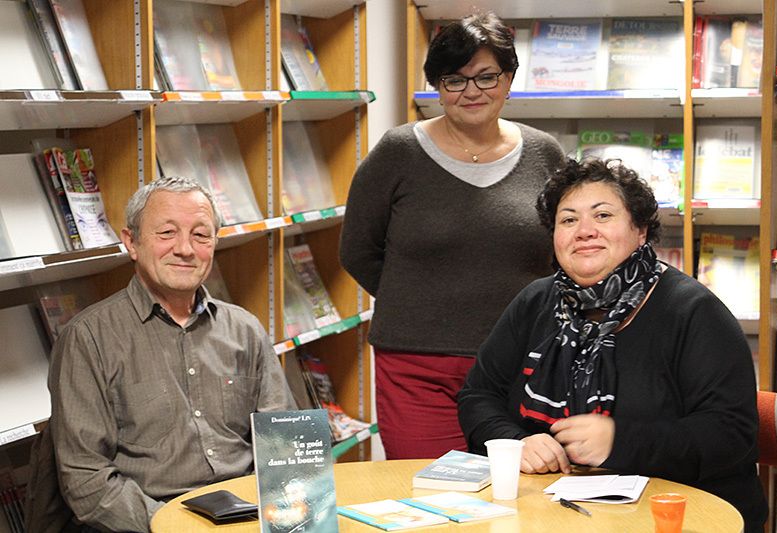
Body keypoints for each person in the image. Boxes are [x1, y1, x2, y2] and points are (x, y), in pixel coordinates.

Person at [457, 158, 767, 531]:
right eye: (568, 220)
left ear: (640, 231)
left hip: (680, 515)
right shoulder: (535, 301)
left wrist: (620, 441)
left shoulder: (694, 312)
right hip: (549, 511)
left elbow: (730, 434)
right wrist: (516, 442)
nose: (584, 231)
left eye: (602, 215)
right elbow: (478, 395)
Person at [339, 12, 564, 459]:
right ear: (437, 87)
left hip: (522, 365)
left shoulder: (545, 153)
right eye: (454, 80)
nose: (472, 92)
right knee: (432, 500)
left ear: (509, 77)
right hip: (416, 368)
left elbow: (563, 254)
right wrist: (419, 299)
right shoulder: (397, 152)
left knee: (522, 496)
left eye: (486, 77)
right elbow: (358, 251)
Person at [43, 176, 295, 532]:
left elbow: (283, 445)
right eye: (167, 234)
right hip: (147, 523)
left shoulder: (245, 329)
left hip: (248, 520)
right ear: (131, 242)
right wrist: (173, 526)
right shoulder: (88, 339)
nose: (185, 249)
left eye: (201, 235)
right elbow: (86, 480)